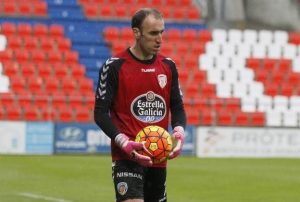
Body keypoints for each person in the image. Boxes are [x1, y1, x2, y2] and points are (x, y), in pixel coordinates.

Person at [94, 8, 186, 202]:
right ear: (136, 33)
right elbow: (100, 113)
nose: (159, 39)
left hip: (158, 157)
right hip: (127, 156)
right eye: (153, 33)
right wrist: (124, 142)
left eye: (162, 32)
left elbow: (177, 106)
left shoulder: (168, 66)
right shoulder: (114, 66)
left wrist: (179, 131)